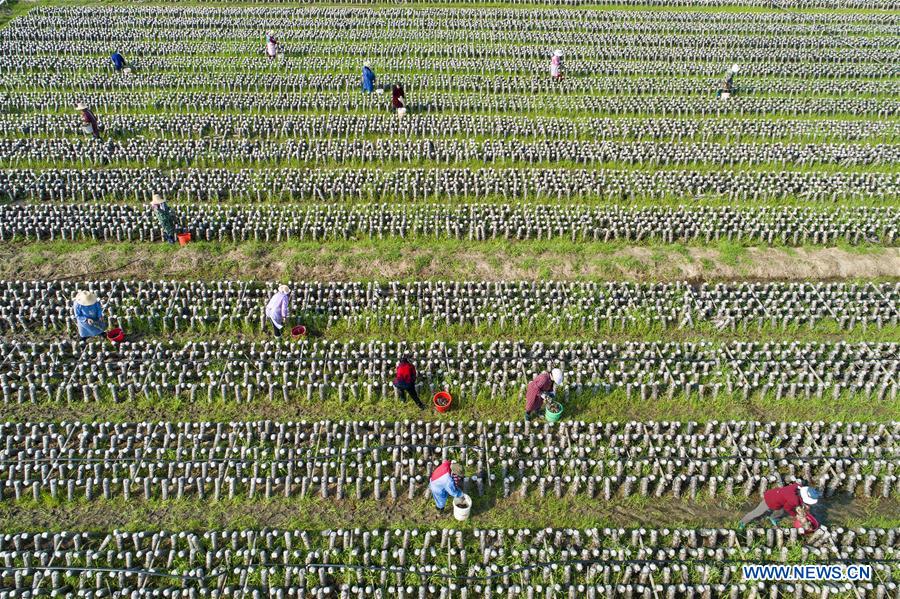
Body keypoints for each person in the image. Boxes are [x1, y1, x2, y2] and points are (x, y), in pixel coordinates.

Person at [738, 483, 820, 530]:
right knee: (757, 512)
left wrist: (801, 505)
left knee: (780, 511)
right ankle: (743, 522)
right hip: (770, 500)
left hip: (776, 494)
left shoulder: (798, 486)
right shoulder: (793, 500)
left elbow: (795, 499)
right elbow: (788, 508)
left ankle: (773, 518)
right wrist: (795, 515)